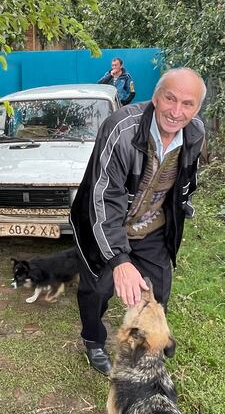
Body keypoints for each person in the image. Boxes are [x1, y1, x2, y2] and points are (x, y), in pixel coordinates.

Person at [70, 68, 206, 375]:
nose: (176, 111)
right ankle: (93, 340)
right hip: (102, 223)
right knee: (97, 287)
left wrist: (180, 207)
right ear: (156, 97)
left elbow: (187, 180)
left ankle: (148, 344)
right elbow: (103, 197)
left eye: (187, 104)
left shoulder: (195, 133)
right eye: (170, 99)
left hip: (151, 225)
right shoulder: (120, 129)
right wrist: (120, 260)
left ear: (197, 108)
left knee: (159, 285)